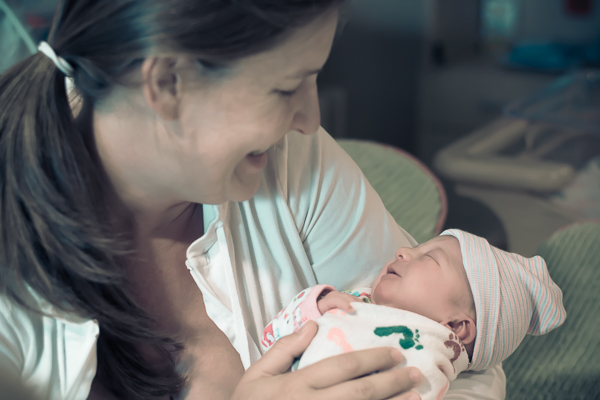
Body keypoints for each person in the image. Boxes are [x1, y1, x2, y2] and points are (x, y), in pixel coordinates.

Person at [0, 1, 506, 399]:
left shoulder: (295, 163)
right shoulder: (13, 290)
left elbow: (467, 363)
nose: (309, 120)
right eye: (287, 88)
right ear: (166, 83)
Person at [261, 229, 567, 399]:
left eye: (429, 258)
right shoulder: (354, 301)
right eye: (417, 247)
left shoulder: (432, 363)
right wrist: (315, 305)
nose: (403, 251)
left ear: (457, 327)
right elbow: (272, 339)